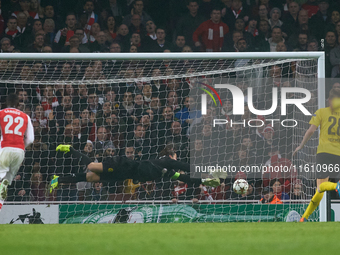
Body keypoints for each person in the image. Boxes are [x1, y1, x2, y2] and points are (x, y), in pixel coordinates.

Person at [49, 144, 220, 192]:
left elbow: (186, 178)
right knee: (91, 166)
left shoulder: (169, 172)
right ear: (171, 155)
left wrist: (206, 180)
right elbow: (188, 167)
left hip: (124, 175)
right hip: (124, 165)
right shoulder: (168, 162)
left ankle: (59, 179)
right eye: (175, 154)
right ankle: (70, 148)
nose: (176, 157)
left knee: (91, 178)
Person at [293, 88, 340, 222]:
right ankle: (304, 218)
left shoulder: (321, 112)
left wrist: (301, 145)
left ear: (329, 100)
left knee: (320, 187)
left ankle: (336, 186)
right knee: (319, 191)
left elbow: (310, 131)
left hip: (324, 152)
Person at [0, 94, 34, 211]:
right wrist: (20, 147)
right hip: (19, 152)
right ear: (18, 105)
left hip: (5, 148)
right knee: (5, 182)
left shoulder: (1, 113)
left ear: (5, 103)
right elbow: (30, 139)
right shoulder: (25, 116)